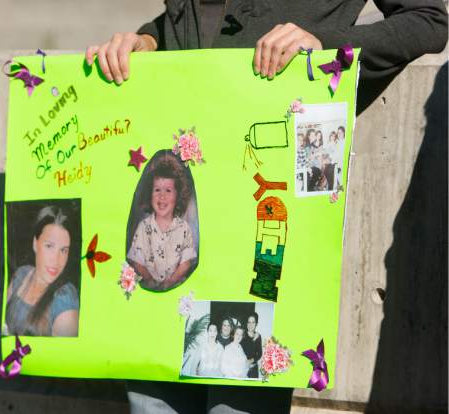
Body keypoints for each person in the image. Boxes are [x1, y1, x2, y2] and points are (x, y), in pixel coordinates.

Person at [86, 1, 447, 412]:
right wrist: (149, 39)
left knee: (236, 403)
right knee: (153, 405)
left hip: (264, 212)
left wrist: (326, 45)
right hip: (187, 197)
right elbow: (200, 20)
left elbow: (429, 21)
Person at [5, 206, 79, 337]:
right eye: (49, 246)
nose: (56, 260)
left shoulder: (64, 299)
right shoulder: (21, 274)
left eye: (63, 250)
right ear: (35, 243)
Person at [127, 151, 197, 291]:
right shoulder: (143, 227)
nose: (162, 196)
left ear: (178, 195)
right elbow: (136, 259)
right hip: (148, 288)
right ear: (150, 193)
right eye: (157, 190)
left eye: (168, 191)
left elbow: (186, 261)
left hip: (176, 286)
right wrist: (148, 279)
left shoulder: (184, 229)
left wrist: (171, 281)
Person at [240, 313, 262, 379]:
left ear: (256, 324)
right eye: (249, 322)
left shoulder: (258, 336)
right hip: (242, 368)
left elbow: (260, 353)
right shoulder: (242, 335)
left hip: (253, 370)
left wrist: (251, 360)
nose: (250, 325)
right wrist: (253, 341)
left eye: (253, 322)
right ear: (246, 323)